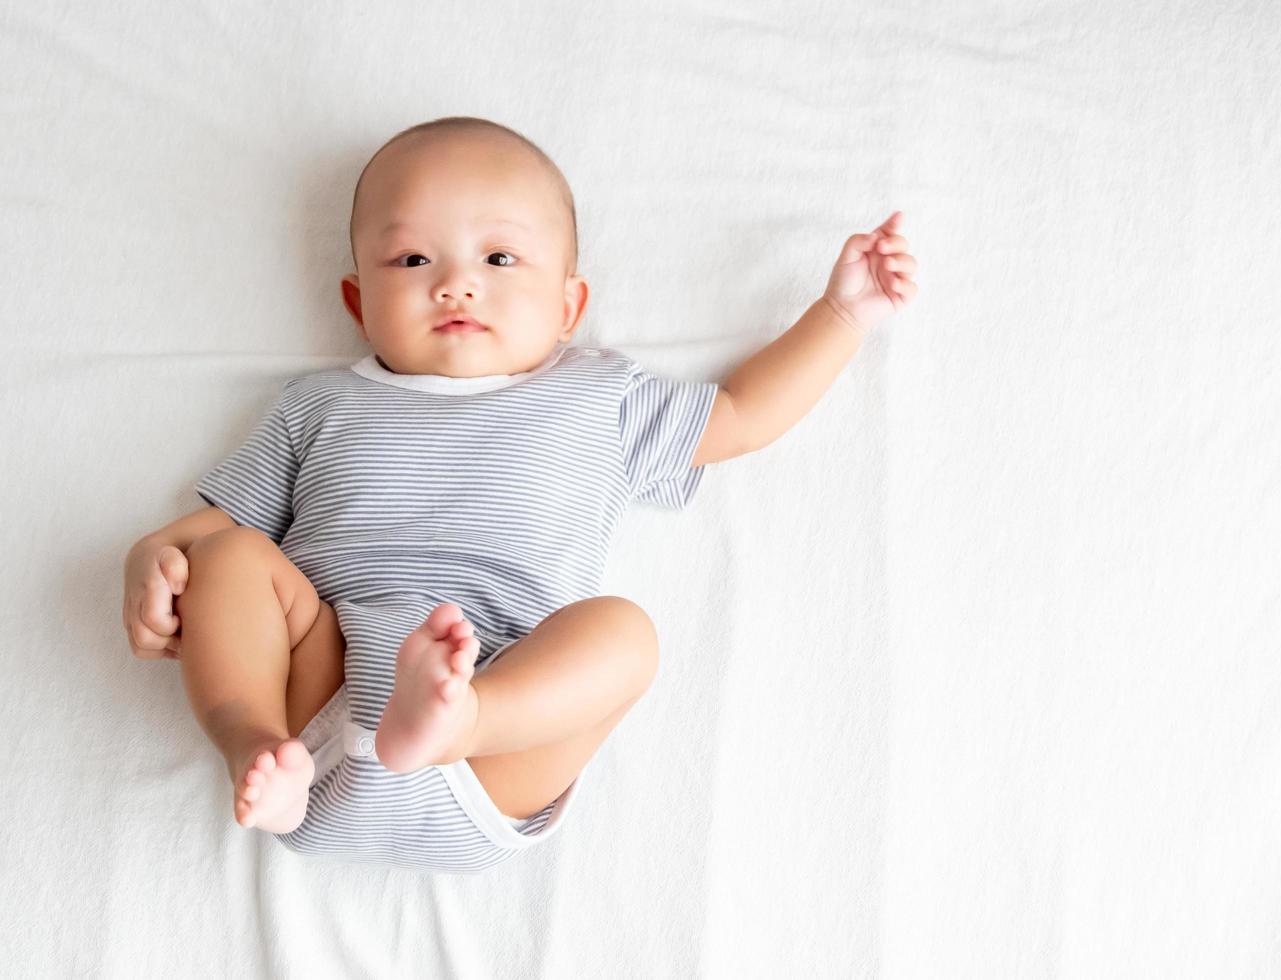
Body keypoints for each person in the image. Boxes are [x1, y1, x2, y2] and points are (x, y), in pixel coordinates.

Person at [120, 115, 919, 873]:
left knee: (624, 635)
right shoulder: (319, 405)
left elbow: (742, 417)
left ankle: (453, 720)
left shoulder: (598, 397)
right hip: (314, 709)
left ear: (569, 306)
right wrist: (154, 554)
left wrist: (841, 313)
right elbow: (220, 528)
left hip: (494, 732)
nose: (457, 286)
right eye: (412, 262)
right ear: (359, 304)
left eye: (499, 260)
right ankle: (253, 747)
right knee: (229, 556)